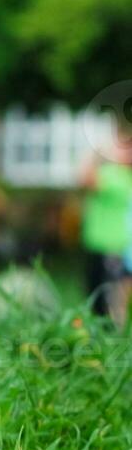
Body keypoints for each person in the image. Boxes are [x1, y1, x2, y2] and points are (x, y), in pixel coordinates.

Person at [80, 119, 132, 330]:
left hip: (111, 248)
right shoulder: (119, 176)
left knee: (106, 301)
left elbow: (85, 178)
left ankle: (110, 342)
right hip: (102, 247)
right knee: (100, 297)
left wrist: (98, 152)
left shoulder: (118, 178)